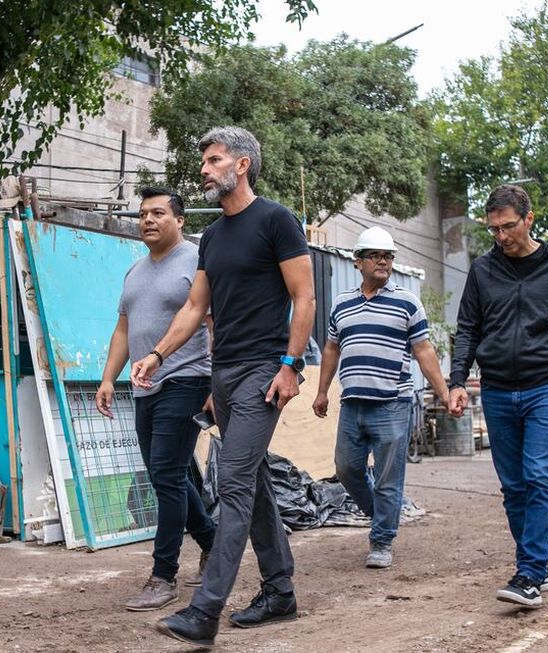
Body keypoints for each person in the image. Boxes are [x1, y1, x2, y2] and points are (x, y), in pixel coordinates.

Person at [129, 126, 315, 648]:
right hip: (225, 372)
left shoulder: (276, 220)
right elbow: (195, 307)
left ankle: (205, 610)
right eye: (205, 161)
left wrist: (290, 366)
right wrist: (159, 354)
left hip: (263, 370)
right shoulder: (212, 237)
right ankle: (280, 591)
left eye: (213, 160)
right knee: (250, 484)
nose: (205, 170)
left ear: (242, 164)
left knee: (231, 483)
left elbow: (305, 298)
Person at [449, 184, 548, 609]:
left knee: (539, 476)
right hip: (496, 390)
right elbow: (469, 330)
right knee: (514, 487)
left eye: (508, 226)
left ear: (529, 219)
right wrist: (458, 381)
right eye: (494, 229)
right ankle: (538, 565)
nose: (501, 236)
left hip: (547, 386)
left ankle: (529, 572)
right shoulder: (482, 270)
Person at [94, 187, 216, 612]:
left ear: (179, 220)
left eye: (158, 213)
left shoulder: (198, 263)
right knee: (170, 475)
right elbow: (124, 330)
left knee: (166, 474)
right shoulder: (134, 272)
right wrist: (108, 377)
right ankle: (213, 542)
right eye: (143, 213)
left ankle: (163, 576)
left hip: (187, 379)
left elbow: (215, 325)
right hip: (145, 386)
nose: (147, 220)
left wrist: (217, 386)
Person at [313, 226, 450, 570]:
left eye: (388, 256)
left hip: (393, 403)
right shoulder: (342, 304)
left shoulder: (407, 302)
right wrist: (321, 391)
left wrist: (444, 393)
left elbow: (424, 351)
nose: (383, 262)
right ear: (358, 261)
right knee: (346, 469)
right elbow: (331, 348)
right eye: (375, 255)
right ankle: (382, 516)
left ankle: (382, 540)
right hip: (352, 402)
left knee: (390, 477)